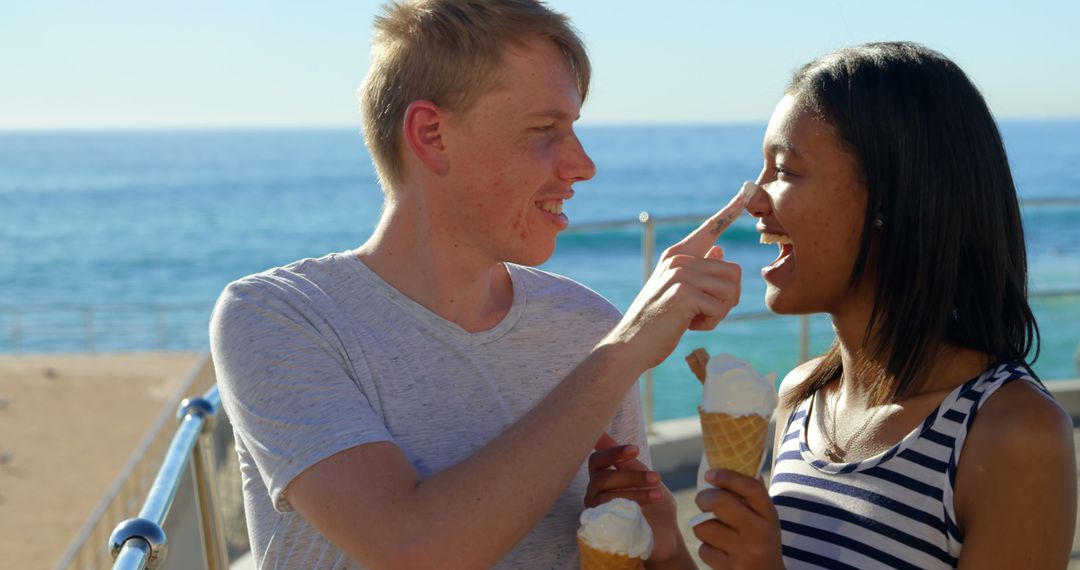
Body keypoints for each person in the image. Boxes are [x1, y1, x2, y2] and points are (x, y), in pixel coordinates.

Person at [210, 1, 742, 568]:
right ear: (432, 134)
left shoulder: (584, 325)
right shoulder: (279, 317)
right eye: (545, 131)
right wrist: (627, 349)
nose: (582, 166)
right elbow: (413, 546)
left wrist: (660, 550)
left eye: (573, 131)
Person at [589, 42, 1077, 569]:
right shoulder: (801, 399)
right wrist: (664, 549)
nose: (754, 199)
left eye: (785, 170)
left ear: (889, 199)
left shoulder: (1013, 433)